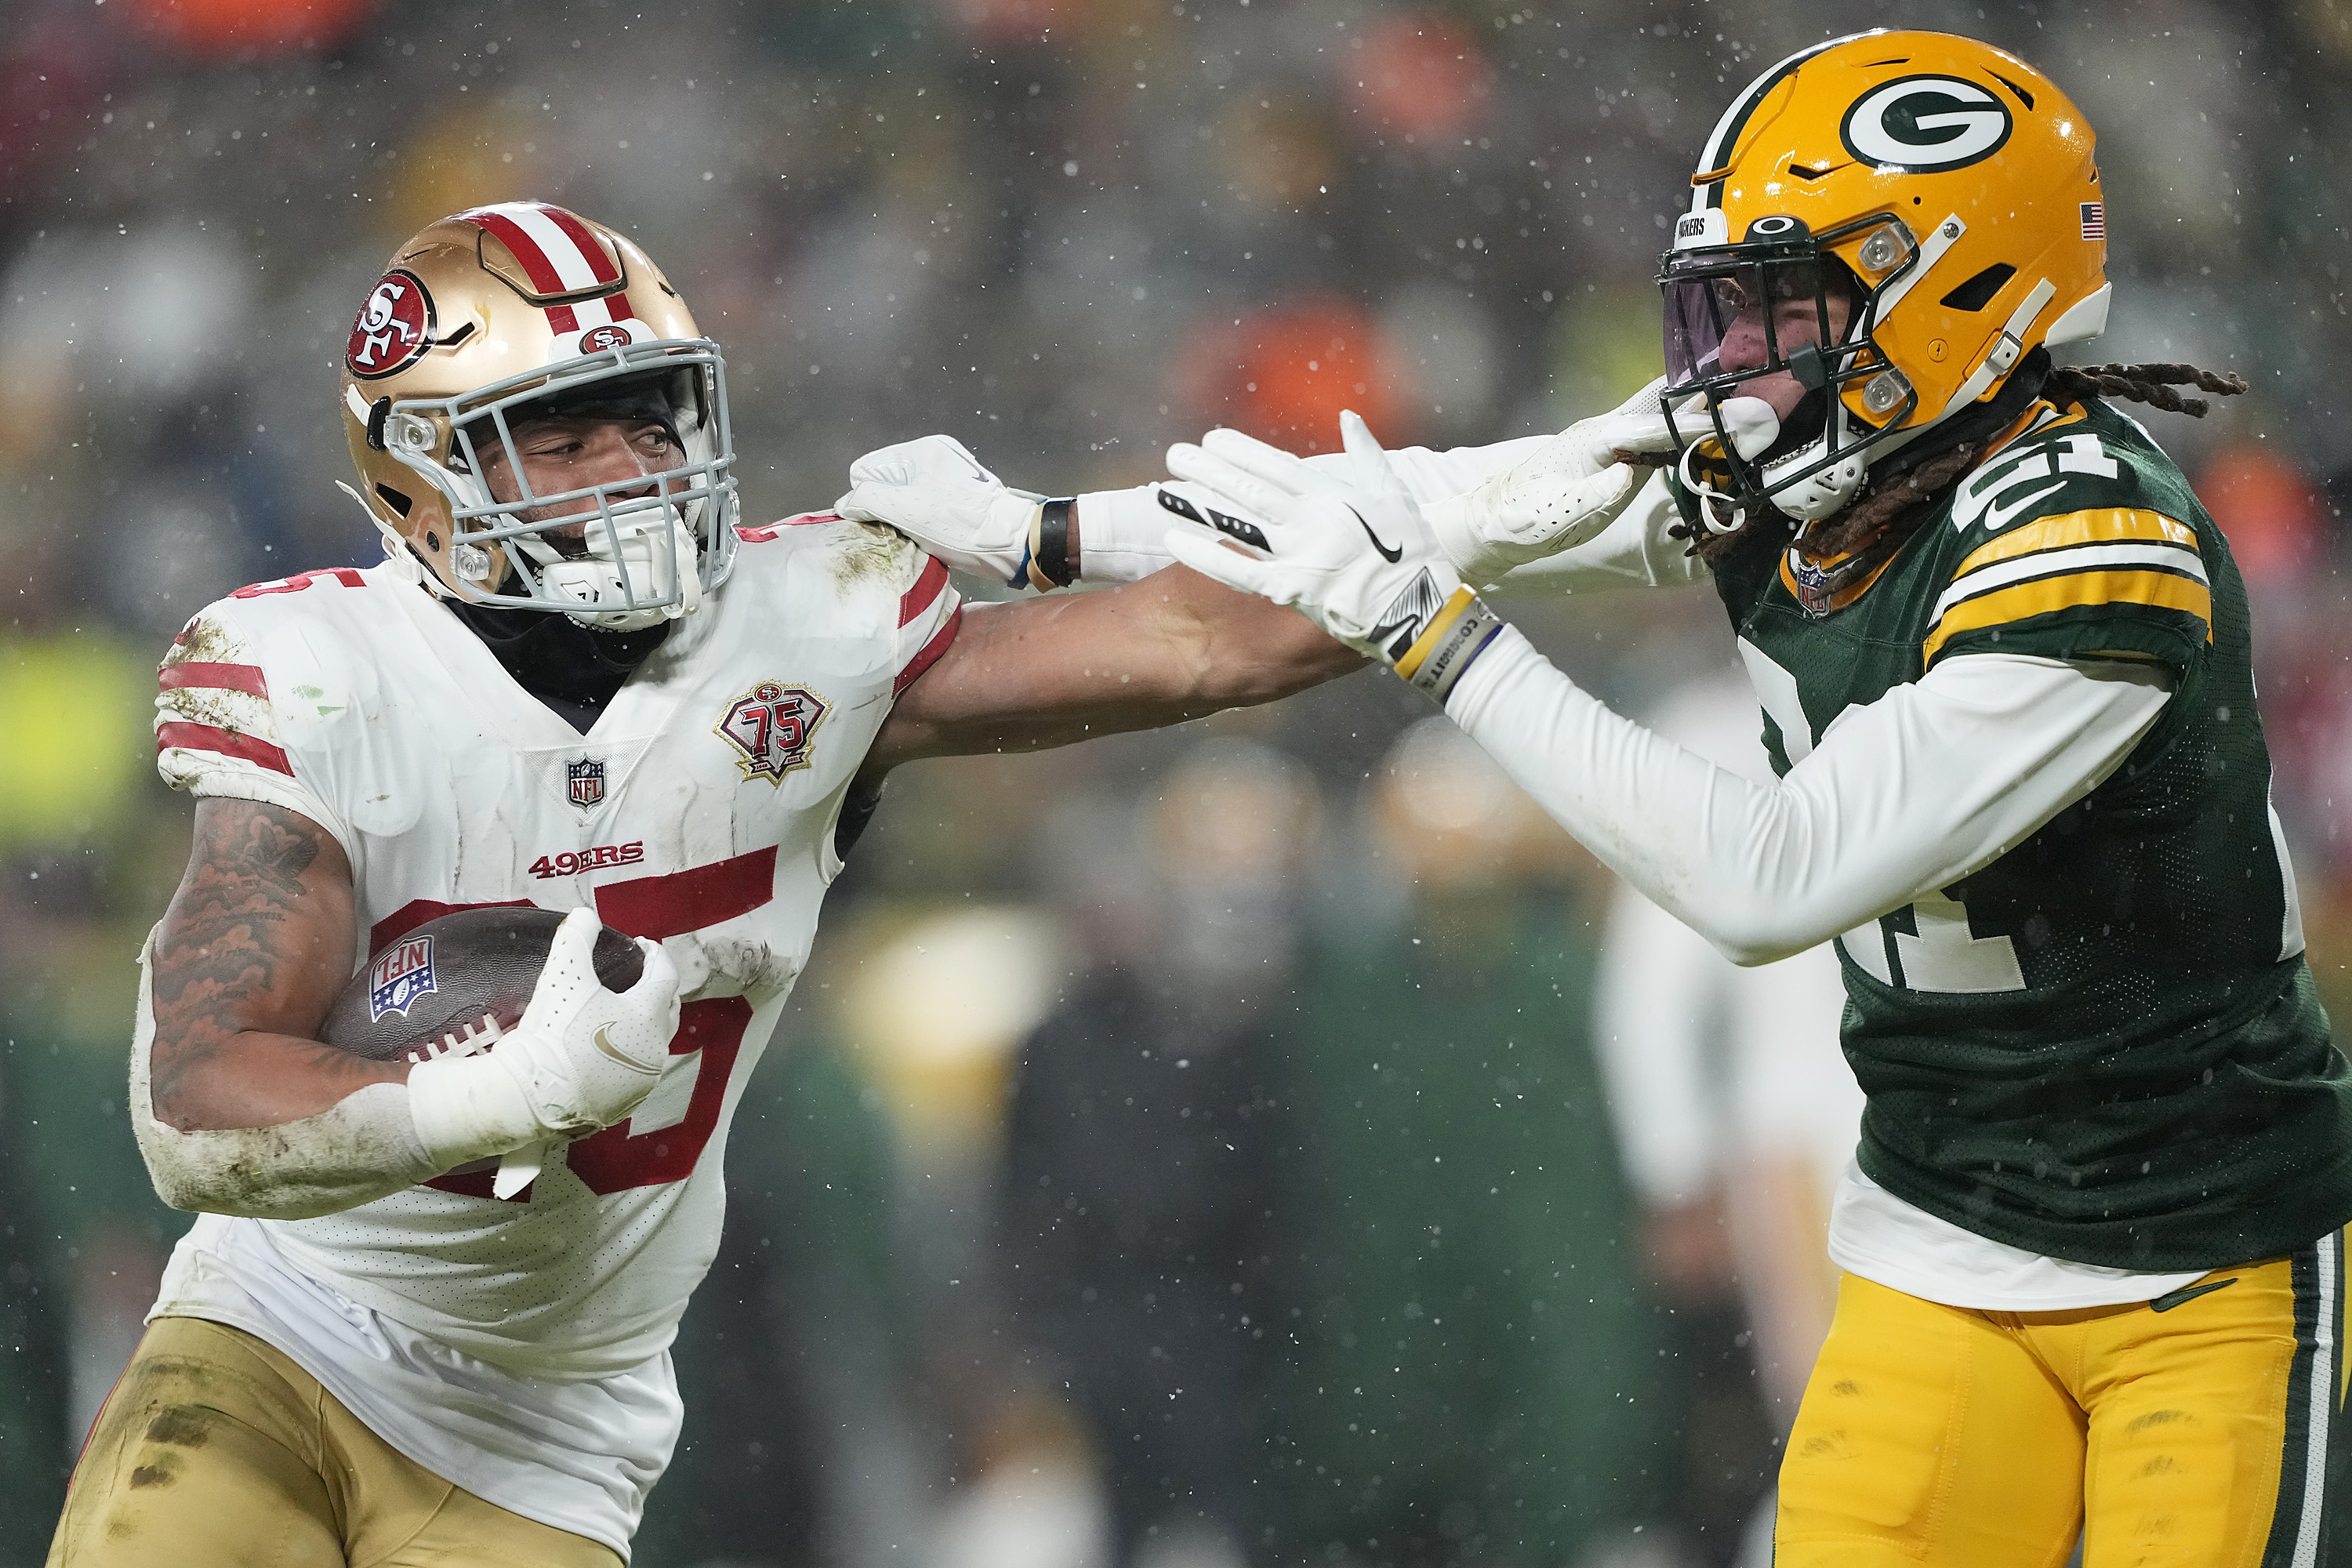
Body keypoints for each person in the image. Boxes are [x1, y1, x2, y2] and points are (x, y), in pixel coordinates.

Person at [1138, 28, 2352, 1566]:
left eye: (1794, 304)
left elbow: (1771, 879)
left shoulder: (2093, 541)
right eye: (1733, 306)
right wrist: (1027, 543)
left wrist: (1439, 640)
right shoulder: (1812, 472)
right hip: (1939, 1235)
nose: (1740, 359)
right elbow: (1421, 501)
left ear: (1957, 285)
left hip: (2194, 1262)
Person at [49, 201, 1356, 1568]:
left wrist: (1437, 546)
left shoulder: (805, 630)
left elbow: (1217, 643)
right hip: (290, 1330)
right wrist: (502, 1096)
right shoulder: (329, 672)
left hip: (554, 1427)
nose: (631, 471)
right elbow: (195, 1104)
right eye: (564, 441)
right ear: (420, 479)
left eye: (651, 424)